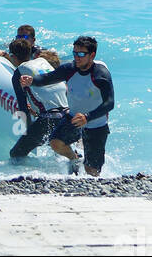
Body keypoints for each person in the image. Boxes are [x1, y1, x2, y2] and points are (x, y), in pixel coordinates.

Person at [19, 35, 114, 176]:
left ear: (92, 55)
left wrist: (88, 117)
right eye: (74, 53)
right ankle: (75, 159)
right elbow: (47, 79)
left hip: (96, 124)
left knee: (92, 172)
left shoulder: (100, 75)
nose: (76, 57)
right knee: (56, 143)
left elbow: (110, 103)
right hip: (73, 118)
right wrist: (32, 80)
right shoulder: (69, 69)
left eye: (81, 54)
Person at [7, 38, 68, 161]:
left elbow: (23, 108)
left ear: (12, 57)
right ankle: (74, 170)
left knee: (16, 153)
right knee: (61, 149)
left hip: (49, 119)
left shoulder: (19, 74)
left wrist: (28, 132)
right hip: (68, 114)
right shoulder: (42, 62)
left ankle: (28, 174)